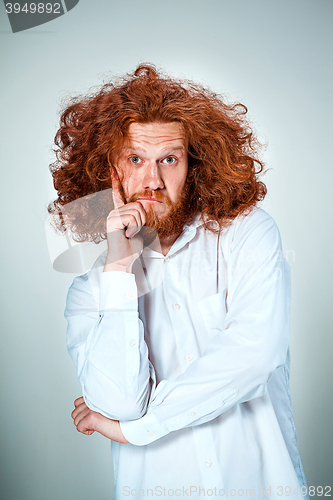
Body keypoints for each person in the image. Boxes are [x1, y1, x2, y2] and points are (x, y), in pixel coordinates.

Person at [48, 64, 309, 499]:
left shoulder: (248, 234)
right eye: (136, 159)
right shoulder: (90, 292)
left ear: (194, 164)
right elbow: (119, 404)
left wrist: (137, 430)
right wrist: (119, 268)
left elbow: (253, 356)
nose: (152, 180)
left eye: (169, 159)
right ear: (111, 170)